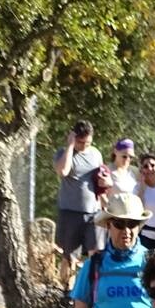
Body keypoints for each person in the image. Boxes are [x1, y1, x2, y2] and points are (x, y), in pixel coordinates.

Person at [67, 192, 153, 308]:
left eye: (132, 224)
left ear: (139, 226)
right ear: (108, 225)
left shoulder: (152, 262)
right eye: (119, 224)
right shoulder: (93, 266)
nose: (126, 231)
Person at [54, 120, 104, 290]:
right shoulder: (63, 153)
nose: (84, 146)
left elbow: (99, 180)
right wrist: (70, 146)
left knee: (95, 252)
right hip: (71, 212)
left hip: (93, 212)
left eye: (88, 143)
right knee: (69, 256)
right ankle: (67, 292)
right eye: (80, 142)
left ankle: (94, 290)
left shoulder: (96, 154)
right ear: (74, 137)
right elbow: (63, 171)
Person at [134, 152, 155, 250]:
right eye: (145, 166)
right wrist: (142, 187)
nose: (149, 168)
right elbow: (138, 209)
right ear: (142, 170)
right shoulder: (137, 188)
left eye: (153, 165)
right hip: (145, 234)